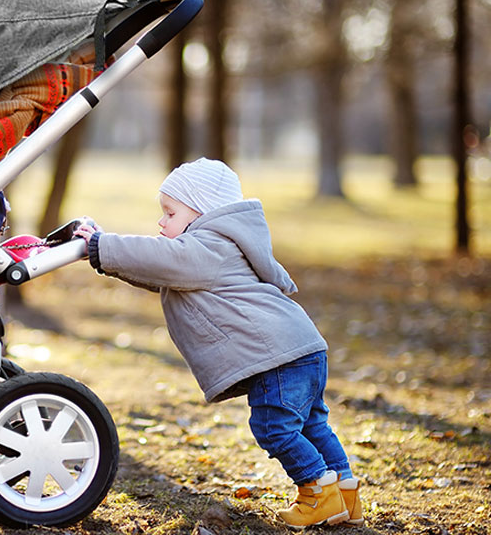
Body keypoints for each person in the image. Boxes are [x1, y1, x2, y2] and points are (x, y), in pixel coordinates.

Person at [73, 158, 362, 529]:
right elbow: (157, 271)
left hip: (277, 357)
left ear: (201, 213)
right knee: (312, 426)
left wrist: (101, 245)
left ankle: (316, 493)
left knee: (275, 428)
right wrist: (103, 252)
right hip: (302, 349)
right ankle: (345, 497)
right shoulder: (214, 250)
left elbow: (163, 259)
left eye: (170, 212)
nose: (161, 222)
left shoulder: (209, 245)